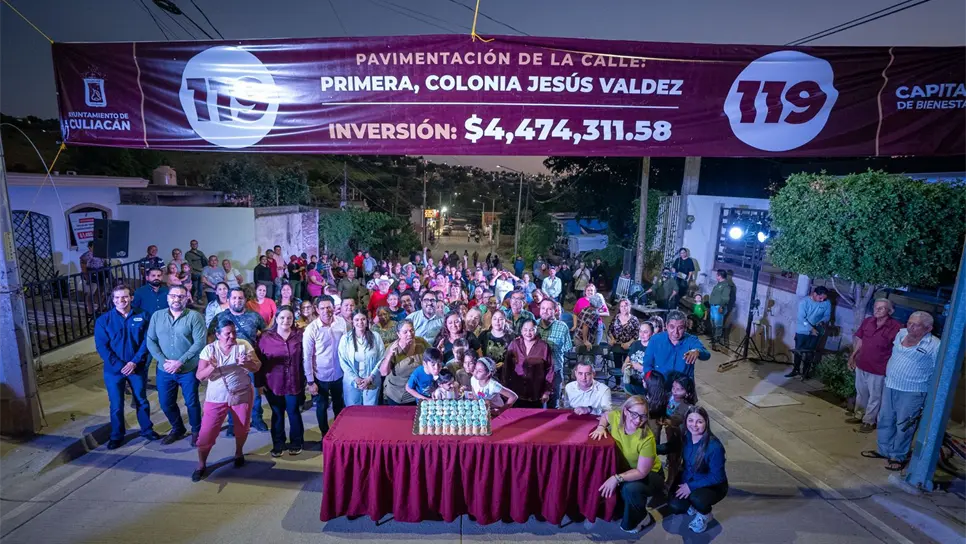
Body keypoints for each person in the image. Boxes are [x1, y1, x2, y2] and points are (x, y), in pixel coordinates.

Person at [864, 311, 940, 472]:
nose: (910, 327)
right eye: (909, 322)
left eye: (916, 325)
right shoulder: (901, 333)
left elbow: (939, 371)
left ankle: (897, 456)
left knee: (904, 425)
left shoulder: (934, 345)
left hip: (913, 392)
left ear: (928, 328)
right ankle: (883, 450)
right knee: (885, 419)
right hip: (890, 385)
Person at [193, 318, 262, 481]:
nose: (232, 336)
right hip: (216, 397)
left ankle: (239, 452)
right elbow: (200, 376)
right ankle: (201, 464)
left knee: (242, 427)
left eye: (233, 332)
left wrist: (247, 363)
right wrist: (212, 366)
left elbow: (257, 366)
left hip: (242, 393)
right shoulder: (209, 350)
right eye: (227, 333)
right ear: (217, 335)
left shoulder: (243, 345)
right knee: (206, 433)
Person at [94, 285, 161, 449]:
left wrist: (134, 362)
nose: (120, 300)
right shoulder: (104, 320)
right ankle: (117, 435)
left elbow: (147, 341)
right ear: (113, 299)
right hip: (113, 371)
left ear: (131, 298)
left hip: (136, 368)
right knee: (116, 405)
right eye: (117, 298)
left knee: (141, 400)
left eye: (124, 297)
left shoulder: (143, 316)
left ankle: (146, 430)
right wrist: (120, 365)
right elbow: (102, 347)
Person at [589, 396, 664, 533]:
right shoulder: (617, 417)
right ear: (625, 411)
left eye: (643, 416)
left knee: (630, 489)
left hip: (651, 474)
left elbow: (641, 472)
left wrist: (616, 478)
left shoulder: (647, 438)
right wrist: (601, 427)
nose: (638, 420)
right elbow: (605, 416)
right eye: (634, 414)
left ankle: (641, 517)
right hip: (628, 468)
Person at [146, 285, 206, 446]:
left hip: (187, 369)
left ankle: (196, 431)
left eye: (181, 296)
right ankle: (178, 428)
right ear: (168, 298)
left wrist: (180, 361)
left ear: (186, 298)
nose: (177, 299)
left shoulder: (194, 317)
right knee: (166, 403)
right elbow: (150, 341)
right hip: (164, 370)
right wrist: (164, 362)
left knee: (192, 402)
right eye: (173, 296)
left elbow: (200, 342)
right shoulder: (157, 316)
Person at [211, 288, 269, 434]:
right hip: (229, 363)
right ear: (229, 300)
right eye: (234, 298)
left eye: (240, 298)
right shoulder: (220, 317)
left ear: (245, 300)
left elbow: (266, 334)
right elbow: (210, 335)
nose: (237, 301)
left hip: (249, 360)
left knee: (254, 393)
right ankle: (233, 423)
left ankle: (257, 419)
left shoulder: (254, 316)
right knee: (232, 394)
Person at [668, 406, 729, 533]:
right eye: (690, 420)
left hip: (712, 485)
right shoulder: (686, 436)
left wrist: (690, 487)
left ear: (706, 423)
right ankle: (692, 505)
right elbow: (670, 447)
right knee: (675, 505)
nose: (694, 425)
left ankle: (705, 515)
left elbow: (718, 477)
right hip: (688, 478)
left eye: (699, 421)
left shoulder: (714, 447)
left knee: (698, 499)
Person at [847, 298, 903, 433]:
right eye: (876, 307)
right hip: (862, 364)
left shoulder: (896, 327)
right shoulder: (868, 322)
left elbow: (898, 349)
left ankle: (869, 421)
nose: (876, 310)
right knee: (861, 392)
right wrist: (853, 356)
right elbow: (860, 340)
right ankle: (859, 414)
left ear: (890, 311)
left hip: (878, 368)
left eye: (881, 308)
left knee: (875, 396)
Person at [257, 306, 305, 457]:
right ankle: (278, 444)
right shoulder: (265, 338)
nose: (286, 321)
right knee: (277, 414)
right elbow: (259, 361)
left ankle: (296, 442)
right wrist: (260, 383)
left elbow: (305, 359)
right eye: (282, 317)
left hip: (294, 381)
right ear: (276, 319)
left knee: (293, 412)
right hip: (273, 383)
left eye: (289, 318)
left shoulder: (300, 335)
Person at [303, 295, 345, 438]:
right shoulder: (311, 329)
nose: (326, 311)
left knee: (339, 405)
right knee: (322, 406)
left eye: (329, 307)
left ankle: (340, 432)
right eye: (322, 308)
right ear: (317, 309)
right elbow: (307, 357)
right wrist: (310, 381)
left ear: (334, 307)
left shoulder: (341, 323)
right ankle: (325, 434)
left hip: (339, 373)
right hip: (321, 375)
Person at [641, 310, 710, 383]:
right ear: (666, 326)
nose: (675, 332)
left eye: (680, 328)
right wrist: (649, 380)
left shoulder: (691, 340)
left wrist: (698, 351)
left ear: (686, 328)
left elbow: (707, 354)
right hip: (660, 385)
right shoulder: (655, 340)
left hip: (683, 388)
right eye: (672, 327)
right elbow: (647, 364)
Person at [338, 309, 386, 406]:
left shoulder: (375, 337)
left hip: (372, 380)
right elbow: (343, 361)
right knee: (353, 410)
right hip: (352, 381)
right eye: (356, 320)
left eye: (363, 319)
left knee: (370, 411)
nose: (360, 322)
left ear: (367, 320)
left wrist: (370, 377)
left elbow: (381, 358)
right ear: (352, 321)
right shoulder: (345, 339)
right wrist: (355, 378)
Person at [502, 319, 553, 408]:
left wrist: (546, 392)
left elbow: (550, 370)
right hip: (516, 393)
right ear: (521, 330)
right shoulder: (515, 344)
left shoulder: (544, 346)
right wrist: (505, 389)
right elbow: (507, 368)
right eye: (525, 330)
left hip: (536, 394)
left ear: (536, 329)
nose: (528, 333)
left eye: (531, 330)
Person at [380, 320, 430, 405]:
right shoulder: (393, 348)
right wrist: (389, 355)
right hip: (398, 394)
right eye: (405, 332)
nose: (410, 334)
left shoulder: (421, 342)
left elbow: (431, 357)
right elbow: (383, 372)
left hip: (418, 392)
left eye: (411, 330)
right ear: (398, 334)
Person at [788, 286, 831, 378]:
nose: (822, 300)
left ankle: (805, 372)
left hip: (816, 330)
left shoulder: (827, 303)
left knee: (810, 352)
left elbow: (827, 315)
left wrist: (822, 321)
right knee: (798, 351)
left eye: (824, 298)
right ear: (814, 294)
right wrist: (811, 329)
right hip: (802, 330)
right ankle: (795, 370)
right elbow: (801, 318)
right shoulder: (804, 302)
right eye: (820, 298)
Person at [536, 298, 573, 409]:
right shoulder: (533, 325)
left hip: (555, 371)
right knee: (537, 405)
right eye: (543, 308)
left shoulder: (562, 327)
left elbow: (567, 348)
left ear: (555, 311)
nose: (545, 311)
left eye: (549, 309)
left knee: (554, 405)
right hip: (536, 372)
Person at [623, 322, 655, 395]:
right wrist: (625, 364)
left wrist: (640, 367)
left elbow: (656, 371)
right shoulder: (635, 344)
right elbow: (629, 357)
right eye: (640, 331)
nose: (642, 334)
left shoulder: (654, 348)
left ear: (652, 334)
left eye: (645, 332)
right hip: (631, 382)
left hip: (646, 387)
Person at [708, 270, 733, 350]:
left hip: (718, 307)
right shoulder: (719, 284)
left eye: (717, 275)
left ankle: (716, 342)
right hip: (713, 307)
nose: (716, 276)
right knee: (713, 324)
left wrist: (721, 306)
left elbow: (725, 298)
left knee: (718, 325)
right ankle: (713, 341)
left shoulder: (726, 286)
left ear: (719, 276)